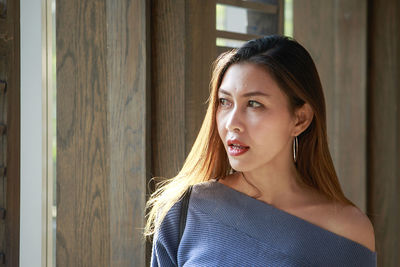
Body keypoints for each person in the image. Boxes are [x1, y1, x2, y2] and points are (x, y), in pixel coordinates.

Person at [145, 35, 377, 266]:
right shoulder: (184, 210)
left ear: (300, 119)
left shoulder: (347, 233)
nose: (231, 123)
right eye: (225, 102)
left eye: (254, 104)